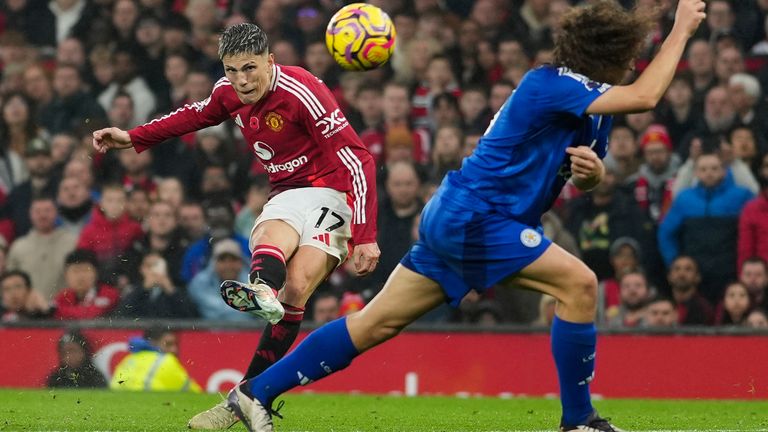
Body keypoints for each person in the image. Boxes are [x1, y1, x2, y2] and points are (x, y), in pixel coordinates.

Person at [224, 2, 706, 432]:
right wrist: (680, 30)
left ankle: (253, 392)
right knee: (579, 285)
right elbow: (646, 96)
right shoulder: (550, 83)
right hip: (479, 216)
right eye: (628, 52)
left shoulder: (595, 110)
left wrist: (591, 176)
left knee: (374, 324)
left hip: (463, 214)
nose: (631, 61)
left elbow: (578, 172)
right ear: (612, 54)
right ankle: (579, 421)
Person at [91, 22, 380, 429]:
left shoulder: (302, 91)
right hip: (287, 192)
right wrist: (133, 137)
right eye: (232, 70)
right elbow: (193, 115)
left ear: (270, 61)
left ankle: (243, 396)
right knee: (270, 234)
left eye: (250, 68)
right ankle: (261, 291)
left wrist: (366, 235)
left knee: (296, 289)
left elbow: (358, 158)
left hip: (335, 195)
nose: (242, 81)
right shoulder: (228, 93)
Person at [110, 327, 202, 392]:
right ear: (153, 343)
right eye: (168, 344)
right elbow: (195, 393)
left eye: (175, 344)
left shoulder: (129, 359)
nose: (174, 350)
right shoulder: (167, 360)